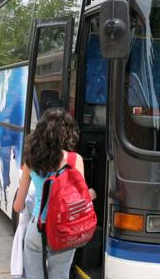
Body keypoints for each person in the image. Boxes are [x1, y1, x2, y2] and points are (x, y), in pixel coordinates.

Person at [13, 108, 96, 279]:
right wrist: (92, 193)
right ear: (67, 133)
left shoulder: (31, 160)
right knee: (60, 275)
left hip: (37, 229)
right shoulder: (75, 160)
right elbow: (80, 200)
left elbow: (17, 206)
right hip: (64, 231)